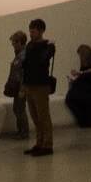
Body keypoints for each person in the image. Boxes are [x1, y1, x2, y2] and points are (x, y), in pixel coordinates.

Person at [20, 18, 56, 157]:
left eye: (33, 30)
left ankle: (47, 144)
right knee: (35, 116)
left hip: (41, 85)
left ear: (41, 31)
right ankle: (39, 142)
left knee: (43, 116)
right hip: (30, 84)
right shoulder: (30, 45)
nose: (30, 33)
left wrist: (49, 47)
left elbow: (43, 59)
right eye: (30, 30)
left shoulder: (47, 45)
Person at [4, 29, 31, 139]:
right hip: (18, 86)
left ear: (19, 42)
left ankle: (24, 132)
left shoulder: (23, 56)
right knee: (17, 108)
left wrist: (22, 89)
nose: (13, 45)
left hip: (21, 87)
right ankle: (21, 131)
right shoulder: (19, 55)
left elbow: (23, 73)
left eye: (14, 43)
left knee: (19, 109)